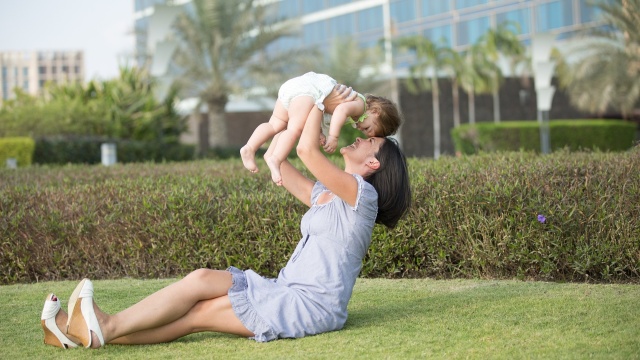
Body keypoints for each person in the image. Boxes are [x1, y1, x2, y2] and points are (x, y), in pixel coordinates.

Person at [40, 85, 412, 349]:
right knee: (201, 280)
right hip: (282, 288)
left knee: (200, 314)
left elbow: (307, 150)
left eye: (369, 141)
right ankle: (76, 331)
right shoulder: (329, 195)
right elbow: (283, 160)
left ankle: (101, 327)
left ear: (373, 163)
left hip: (309, 306)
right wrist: (292, 114)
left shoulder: (363, 196)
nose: (360, 136)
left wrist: (318, 93)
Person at [240, 71, 402, 186]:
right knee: (294, 129)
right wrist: (333, 136)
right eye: (368, 129)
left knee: (275, 124)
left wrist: (319, 132)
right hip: (308, 92)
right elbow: (339, 110)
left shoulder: (355, 107)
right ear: (375, 112)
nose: (361, 130)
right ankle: (275, 159)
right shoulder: (360, 105)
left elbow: (321, 111)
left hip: (296, 88)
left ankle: (249, 147)